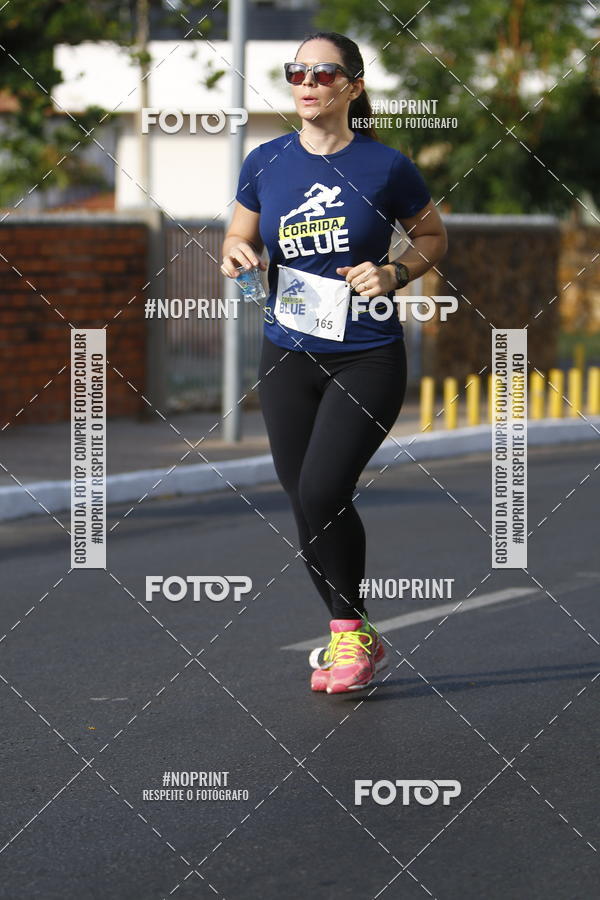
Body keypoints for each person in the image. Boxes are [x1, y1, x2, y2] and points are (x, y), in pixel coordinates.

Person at [221, 31, 447, 694]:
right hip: (286, 352)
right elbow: (237, 232)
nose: (307, 83)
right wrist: (237, 254)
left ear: (352, 85)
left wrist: (395, 272)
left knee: (323, 490)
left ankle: (349, 640)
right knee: (303, 502)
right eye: (297, 72)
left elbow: (432, 236)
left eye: (323, 73)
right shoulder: (266, 161)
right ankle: (354, 636)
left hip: (367, 355)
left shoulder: (387, 167)